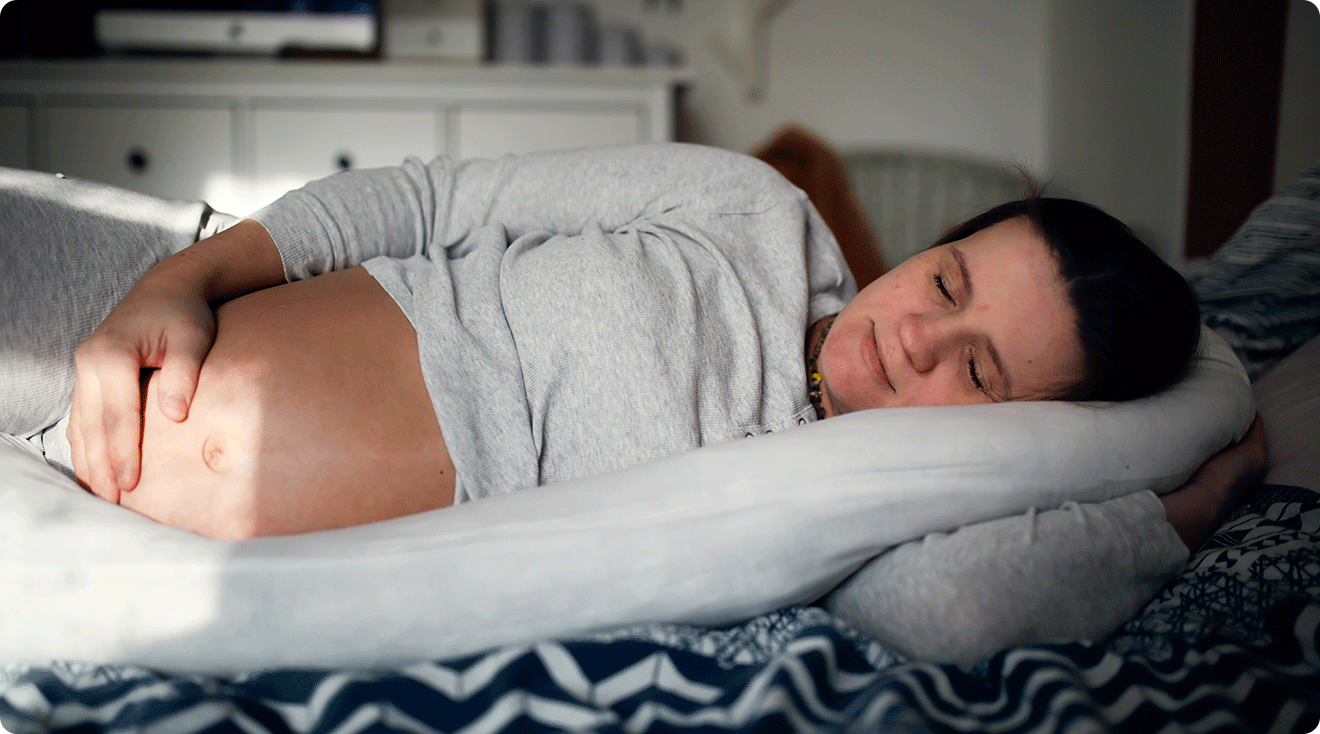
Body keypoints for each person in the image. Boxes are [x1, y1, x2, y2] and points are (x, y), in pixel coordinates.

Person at [0, 143, 1260, 549]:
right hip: (127, 301)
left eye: (980, 369)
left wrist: (1172, 511)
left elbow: (960, 614)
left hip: (98, 545)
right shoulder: (751, 212)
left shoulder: (868, 511)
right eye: (948, 276)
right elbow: (427, 201)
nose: (917, 333)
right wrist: (173, 282)